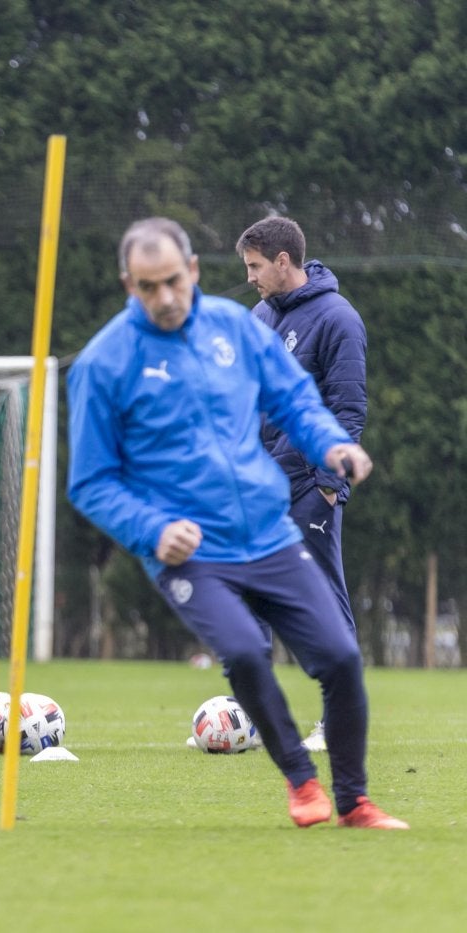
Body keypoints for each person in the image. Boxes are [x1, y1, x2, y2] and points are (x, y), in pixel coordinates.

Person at [67, 217, 406, 829]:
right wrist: (152, 532)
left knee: (340, 657)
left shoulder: (233, 326)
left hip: (269, 533)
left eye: (173, 280)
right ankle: (303, 782)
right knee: (247, 651)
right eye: (148, 287)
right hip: (188, 550)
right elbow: (91, 482)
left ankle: (355, 801)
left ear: (192, 270)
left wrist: (332, 446)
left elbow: (295, 400)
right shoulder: (104, 364)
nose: (165, 297)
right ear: (128, 285)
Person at [237, 216, 367, 752]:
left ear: (282, 261)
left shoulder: (338, 318)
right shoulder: (259, 317)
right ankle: (250, 722)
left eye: (254, 266)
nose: (249, 277)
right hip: (256, 489)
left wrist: (331, 486)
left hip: (310, 488)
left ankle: (334, 724)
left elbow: (348, 406)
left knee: (320, 603)